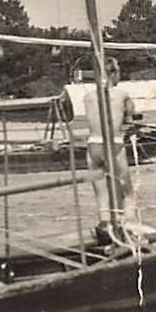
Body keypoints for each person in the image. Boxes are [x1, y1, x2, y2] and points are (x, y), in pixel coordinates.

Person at [59, 57, 140, 244]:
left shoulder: (87, 97)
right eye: (118, 71)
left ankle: (105, 226)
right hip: (114, 144)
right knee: (126, 190)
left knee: (101, 192)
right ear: (113, 73)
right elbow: (130, 117)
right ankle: (128, 228)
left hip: (93, 145)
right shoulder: (122, 94)